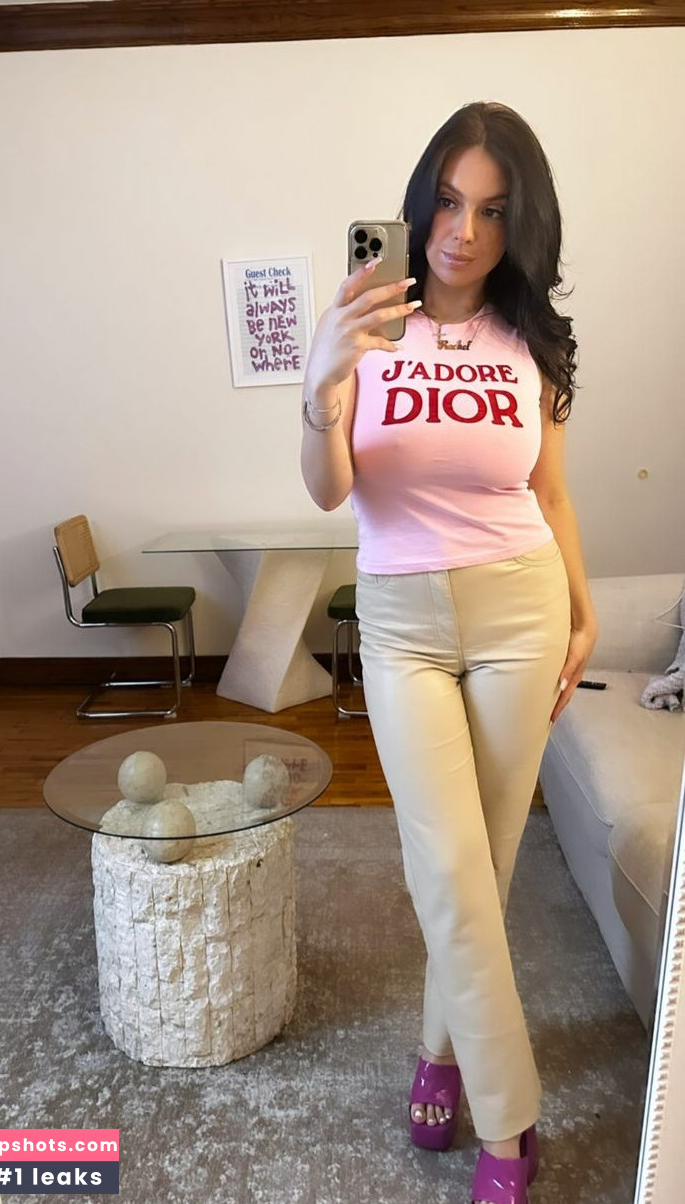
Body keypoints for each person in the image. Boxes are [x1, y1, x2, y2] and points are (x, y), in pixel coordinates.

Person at [300, 100, 599, 1204]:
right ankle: (512, 1124)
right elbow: (329, 488)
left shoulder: (533, 342)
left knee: (485, 868)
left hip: (523, 608)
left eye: (493, 211)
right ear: (418, 203)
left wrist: (582, 610)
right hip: (402, 622)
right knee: (446, 862)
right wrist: (322, 382)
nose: (464, 232)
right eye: (448, 202)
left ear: (522, 225)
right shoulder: (365, 322)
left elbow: (550, 493)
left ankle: (438, 1052)